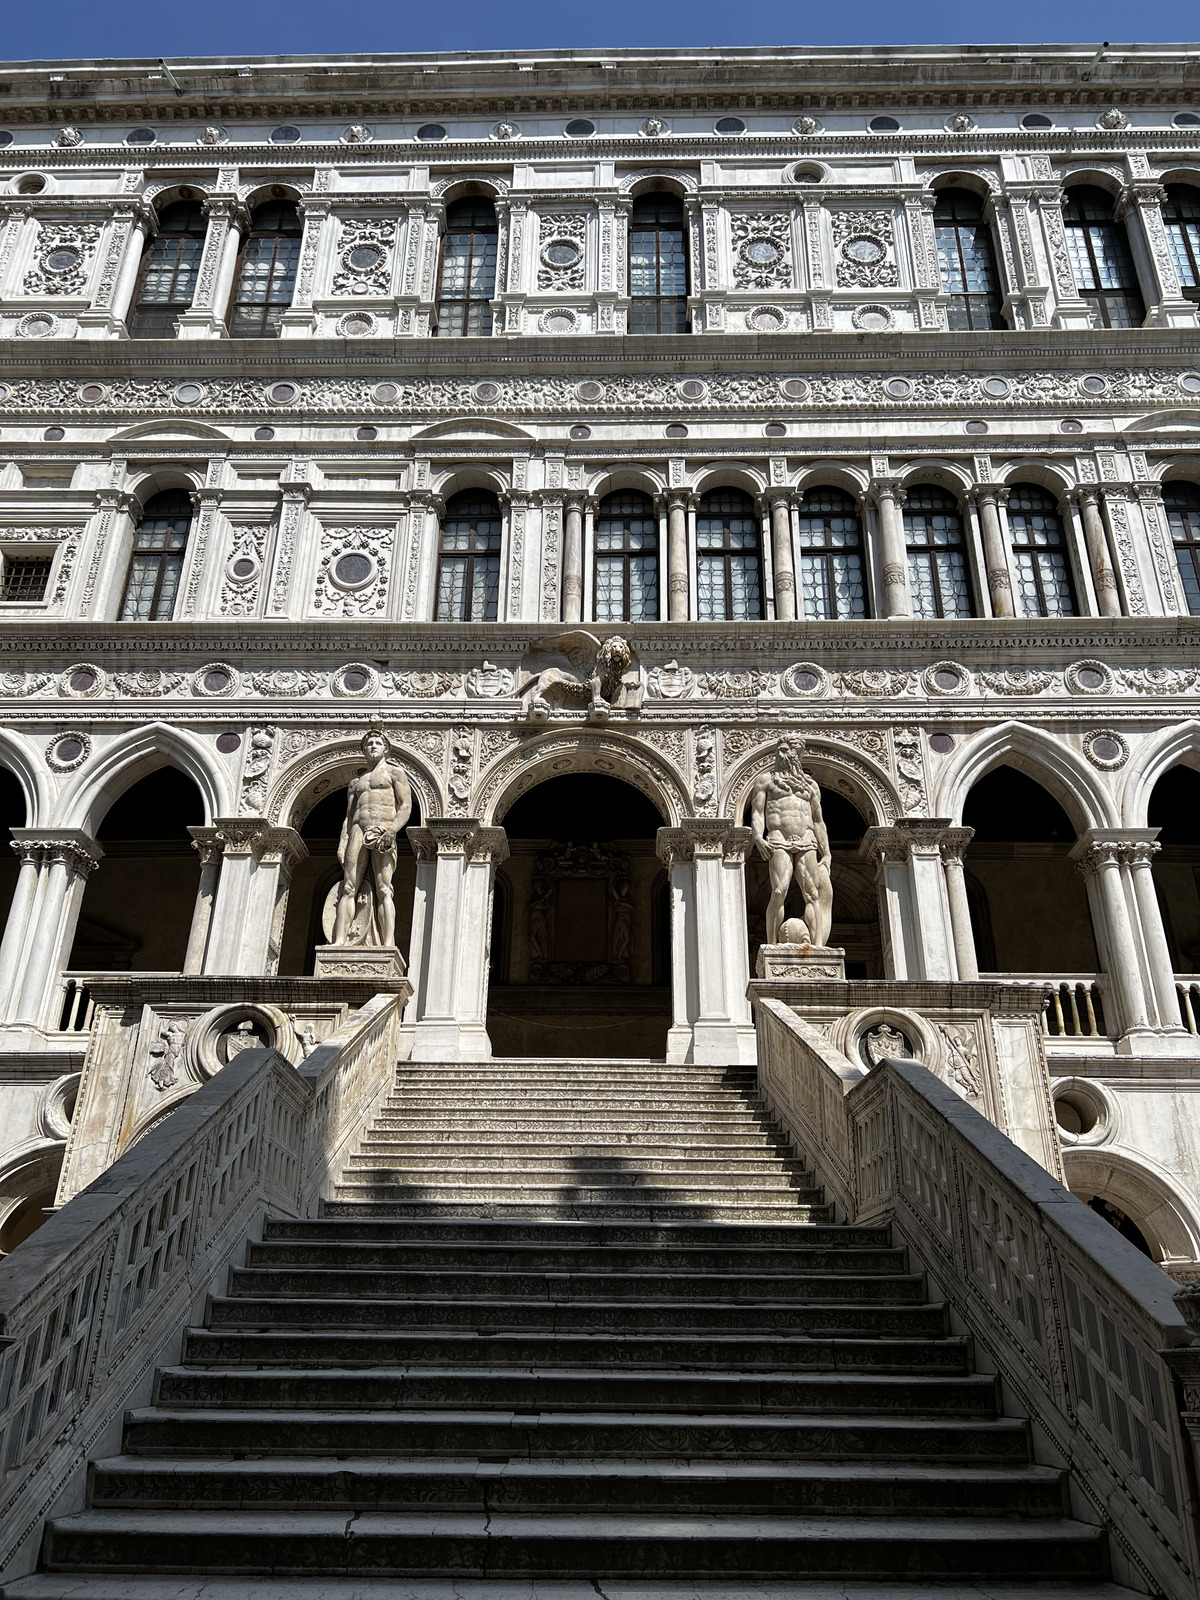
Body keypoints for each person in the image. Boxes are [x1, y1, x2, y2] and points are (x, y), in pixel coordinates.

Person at [332, 726, 412, 947]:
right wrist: (343, 841)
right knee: (348, 887)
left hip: (382, 829)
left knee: (384, 888)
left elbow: (405, 806)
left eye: (377, 743)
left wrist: (393, 830)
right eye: (368, 744)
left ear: (386, 748)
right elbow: (349, 816)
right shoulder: (356, 783)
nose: (372, 746)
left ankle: (388, 944)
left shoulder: (396, 774)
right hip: (358, 830)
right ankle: (340, 941)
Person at [749, 738, 833, 947]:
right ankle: (772, 946)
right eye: (781, 749)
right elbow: (758, 812)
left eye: (790, 749)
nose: (784, 753)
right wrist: (758, 836)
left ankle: (818, 947)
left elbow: (818, 820)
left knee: (812, 894)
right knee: (779, 892)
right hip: (779, 839)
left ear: (800, 753)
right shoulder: (766, 780)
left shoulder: (811, 785)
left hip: (807, 840)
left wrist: (827, 853)